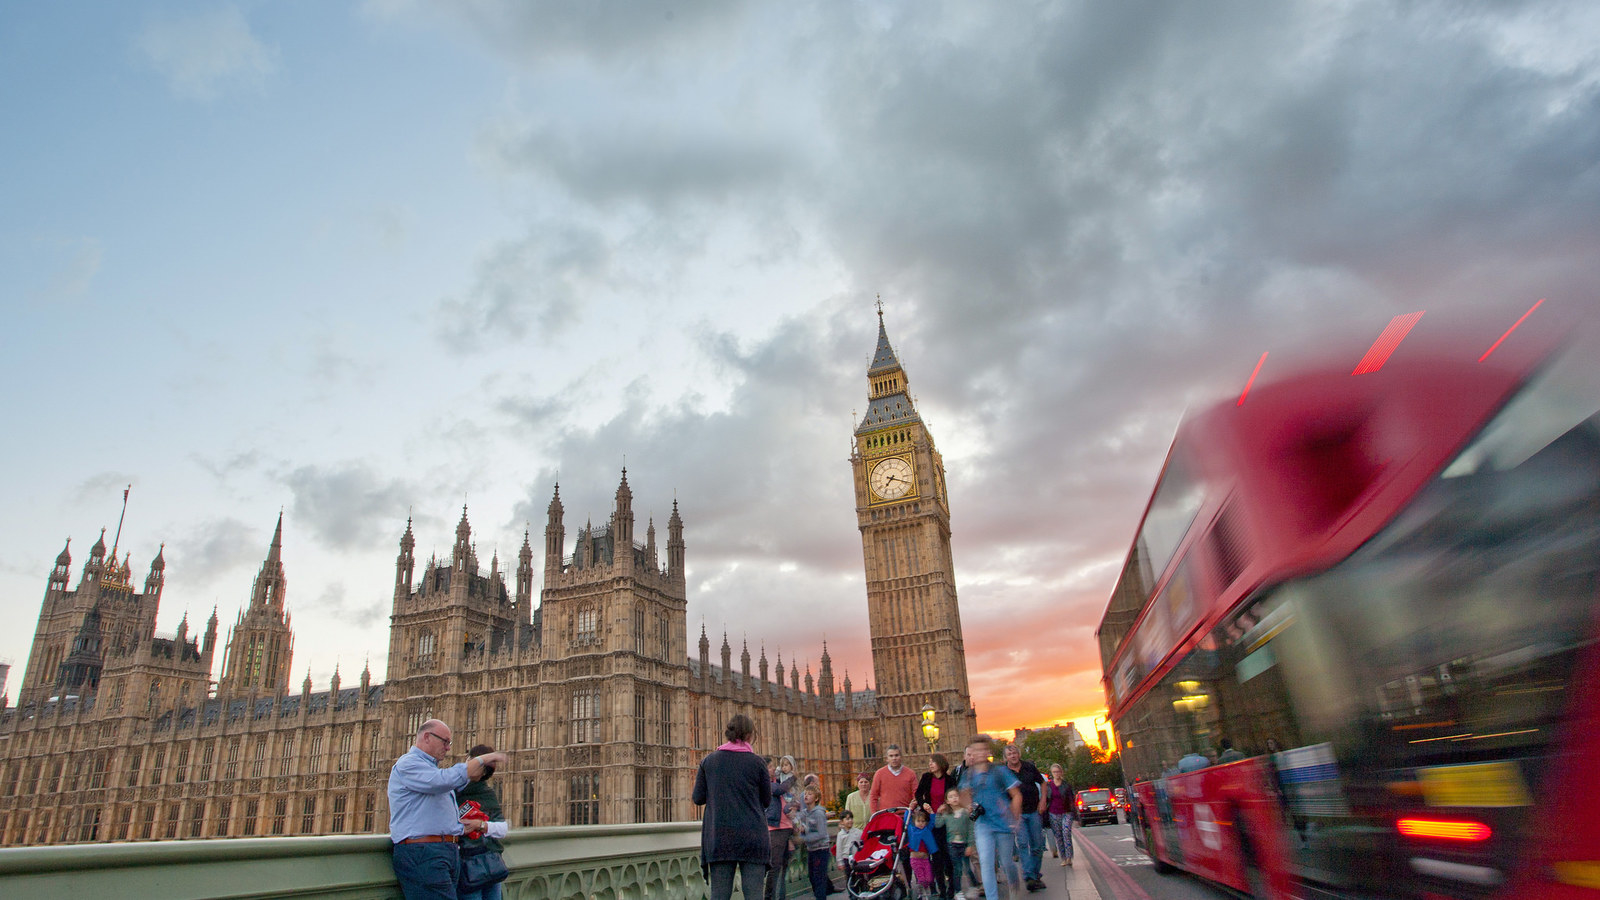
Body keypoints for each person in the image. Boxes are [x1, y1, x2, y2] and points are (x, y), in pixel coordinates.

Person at [387, 719, 508, 900]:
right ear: (427, 737)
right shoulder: (409, 764)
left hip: (444, 852)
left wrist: (463, 828)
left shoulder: (431, 770)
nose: (448, 748)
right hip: (424, 853)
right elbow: (444, 780)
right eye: (445, 742)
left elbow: (441, 801)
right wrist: (483, 759)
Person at [693, 714, 772, 900]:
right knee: (754, 895)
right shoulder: (758, 762)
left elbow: (698, 798)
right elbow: (767, 800)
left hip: (720, 837)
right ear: (750, 735)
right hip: (753, 837)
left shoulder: (709, 761)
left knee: (719, 895)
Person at [959, 735, 1022, 900]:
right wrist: (967, 802)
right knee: (986, 864)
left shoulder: (999, 771)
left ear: (988, 751)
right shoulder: (968, 775)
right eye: (976, 750)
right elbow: (964, 800)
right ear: (971, 753)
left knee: (1007, 863)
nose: (979, 753)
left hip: (1003, 823)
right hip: (983, 825)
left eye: (982, 749)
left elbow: (1016, 795)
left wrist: (1014, 819)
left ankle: (1014, 882)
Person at [456, 744, 511, 900]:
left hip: (489, 864)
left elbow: (502, 828)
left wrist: (480, 825)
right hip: (466, 867)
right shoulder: (450, 789)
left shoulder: (486, 793)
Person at [1002, 744, 1046, 892]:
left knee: (1037, 846)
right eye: (1009, 754)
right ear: (1006, 757)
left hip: (1033, 811)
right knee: (1022, 844)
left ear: (1018, 754)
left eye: (1014, 753)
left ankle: (1034, 874)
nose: (1013, 756)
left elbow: (1042, 783)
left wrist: (1043, 800)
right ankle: (1029, 876)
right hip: (1017, 814)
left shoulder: (1029, 767)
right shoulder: (1004, 772)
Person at [914, 755, 953, 900]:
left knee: (947, 857)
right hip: (930, 822)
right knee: (936, 857)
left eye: (933, 762)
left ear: (941, 764)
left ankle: (952, 888)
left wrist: (946, 805)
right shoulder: (926, 777)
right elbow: (918, 794)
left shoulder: (950, 780)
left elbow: (954, 797)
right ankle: (942, 890)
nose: (930, 764)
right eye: (929, 762)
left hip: (945, 822)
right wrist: (923, 803)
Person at [765, 756, 796, 900]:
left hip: (786, 828)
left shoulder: (778, 780)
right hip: (775, 829)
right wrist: (793, 777)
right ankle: (769, 897)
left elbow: (789, 796)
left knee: (783, 867)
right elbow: (780, 790)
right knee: (775, 866)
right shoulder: (766, 783)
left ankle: (780, 897)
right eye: (771, 767)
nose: (774, 769)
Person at [795, 786, 832, 900]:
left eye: (810, 794)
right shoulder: (805, 813)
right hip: (812, 850)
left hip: (821, 849)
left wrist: (803, 839)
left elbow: (821, 834)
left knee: (819, 879)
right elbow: (802, 824)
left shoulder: (819, 813)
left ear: (816, 798)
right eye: (805, 793)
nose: (806, 796)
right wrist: (803, 830)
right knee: (812, 877)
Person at [938, 788, 973, 900]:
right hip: (952, 845)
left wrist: (970, 845)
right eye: (951, 797)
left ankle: (973, 887)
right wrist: (938, 812)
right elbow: (938, 824)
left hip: (964, 844)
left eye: (956, 796)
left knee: (968, 868)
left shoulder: (965, 813)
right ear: (947, 801)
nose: (954, 798)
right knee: (957, 869)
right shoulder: (946, 814)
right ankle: (958, 891)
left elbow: (971, 830)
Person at [1040, 763, 1075, 869]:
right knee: (1059, 836)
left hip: (1066, 812)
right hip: (1053, 813)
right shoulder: (1049, 786)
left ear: (1061, 772)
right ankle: (1063, 858)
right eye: (1054, 772)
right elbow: (1045, 799)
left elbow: (1071, 800)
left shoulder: (1066, 785)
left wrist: (1074, 813)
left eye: (1058, 771)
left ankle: (1069, 857)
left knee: (1066, 833)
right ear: (1052, 773)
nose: (1056, 774)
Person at [869, 744, 917, 814]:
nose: (894, 758)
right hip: (886, 815)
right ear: (887, 759)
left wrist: (913, 806)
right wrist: (874, 813)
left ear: (901, 757)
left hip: (906, 815)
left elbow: (915, 794)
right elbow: (873, 795)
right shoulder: (879, 774)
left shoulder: (910, 774)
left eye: (896, 755)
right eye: (891, 756)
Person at [905, 807, 940, 899]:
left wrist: (931, 812)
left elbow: (932, 822)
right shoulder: (911, 830)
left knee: (929, 878)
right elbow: (906, 820)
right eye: (918, 821)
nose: (921, 823)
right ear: (914, 822)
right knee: (921, 879)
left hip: (925, 859)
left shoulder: (927, 829)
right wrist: (909, 809)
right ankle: (922, 893)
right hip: (915, 859)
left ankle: (925, 890)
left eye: (923, 821)